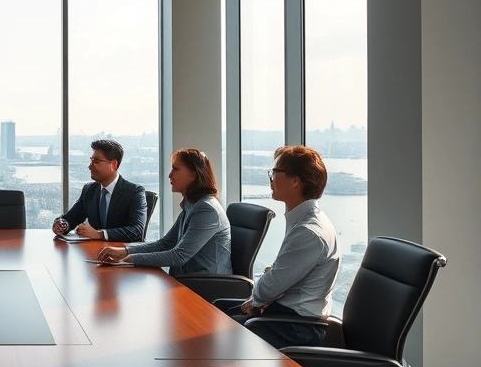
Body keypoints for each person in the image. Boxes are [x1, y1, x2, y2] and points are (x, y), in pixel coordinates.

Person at [214, 145, 341, 349]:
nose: (271, 179)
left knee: (219, 330)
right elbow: (279, 280)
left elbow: (269, 286)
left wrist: (259, 299)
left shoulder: (309, 231)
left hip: (297, 327)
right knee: (217, 309)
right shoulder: (302, 220)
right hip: (286, 313)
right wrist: (265, 291)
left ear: (296, 180)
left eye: (275, 172)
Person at [97, 148, 230, 276]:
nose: (170, 174)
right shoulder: (192, 204)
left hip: (204, 285)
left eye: (175, 169)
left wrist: (129, 260)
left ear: (193, 174)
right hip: (187, 279)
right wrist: (124, 252)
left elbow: (179, 256)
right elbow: (165, 243)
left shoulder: (206, 209)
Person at [52, 139, 147, 241]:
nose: (90, 166)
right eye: (91, 161)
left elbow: (137, 231)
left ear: (113, 164)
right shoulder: (89, 190)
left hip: (124, 254)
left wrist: (100, 234)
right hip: (96, 251)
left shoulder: (134, 192)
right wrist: (62, 225)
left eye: (96, 161)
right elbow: (71, 218)